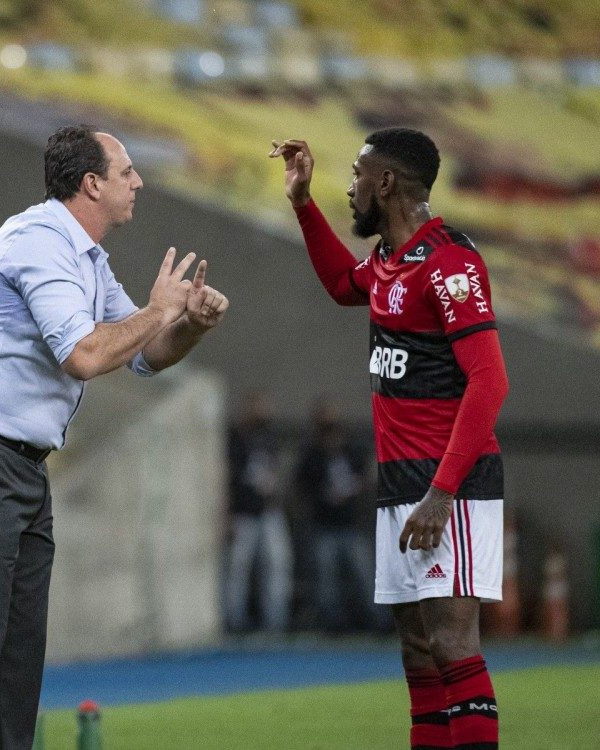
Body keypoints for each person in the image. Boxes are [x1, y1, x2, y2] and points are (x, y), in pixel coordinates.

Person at [0, 124, 229, 749]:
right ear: (92, 184)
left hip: (19, 466)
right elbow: (83, 356)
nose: (138, 182)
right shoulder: (40, 242)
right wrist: (157, 310)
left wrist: (188, 323)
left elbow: (144, 356)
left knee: (17, 655)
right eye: (126, 171)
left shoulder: (85, 256)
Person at [270, 129, 508, 749]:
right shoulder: (386, 263)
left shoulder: (451, 262)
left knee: (454, 645)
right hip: (400, 483)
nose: (347, 188)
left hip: (447, 484)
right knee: (417, 651)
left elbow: (490, 381)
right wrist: (302, 202)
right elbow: (338, 284)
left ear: (386, 183)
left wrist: (441, 494)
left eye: (354, 174)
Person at [294, 399, 378, 633]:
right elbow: (302, 486)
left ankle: (375, 623)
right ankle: (332, 625)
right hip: (324, 525)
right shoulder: (311, 454)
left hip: (351, 524)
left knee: (364, 575)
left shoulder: (352, 449)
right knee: (325, 581)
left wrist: (351, 491)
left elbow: (366, 477)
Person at [224, 391, 292, 634]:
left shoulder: (271, 437)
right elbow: (227, 478)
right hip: (244, 513)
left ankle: (275, 623)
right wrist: (227, 514)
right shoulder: (237, 438)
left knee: (276, 566)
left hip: (269, 512)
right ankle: (235, 621)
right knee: (238, 569)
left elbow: (278, 472)